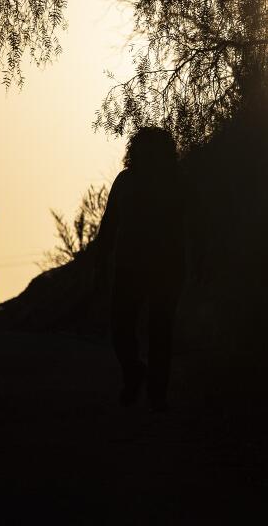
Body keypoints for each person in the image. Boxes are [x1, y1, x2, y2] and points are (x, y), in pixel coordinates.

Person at [95, 126, 187, 412]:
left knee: (161, 330)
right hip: (129, 265)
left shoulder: (177, 181)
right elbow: (109, 224)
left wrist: (203, 255)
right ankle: (134, 372)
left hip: (166, 265)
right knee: (121, 328)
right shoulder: (125, 181)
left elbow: (196, 220)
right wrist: (101, 260)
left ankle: (157, 393)